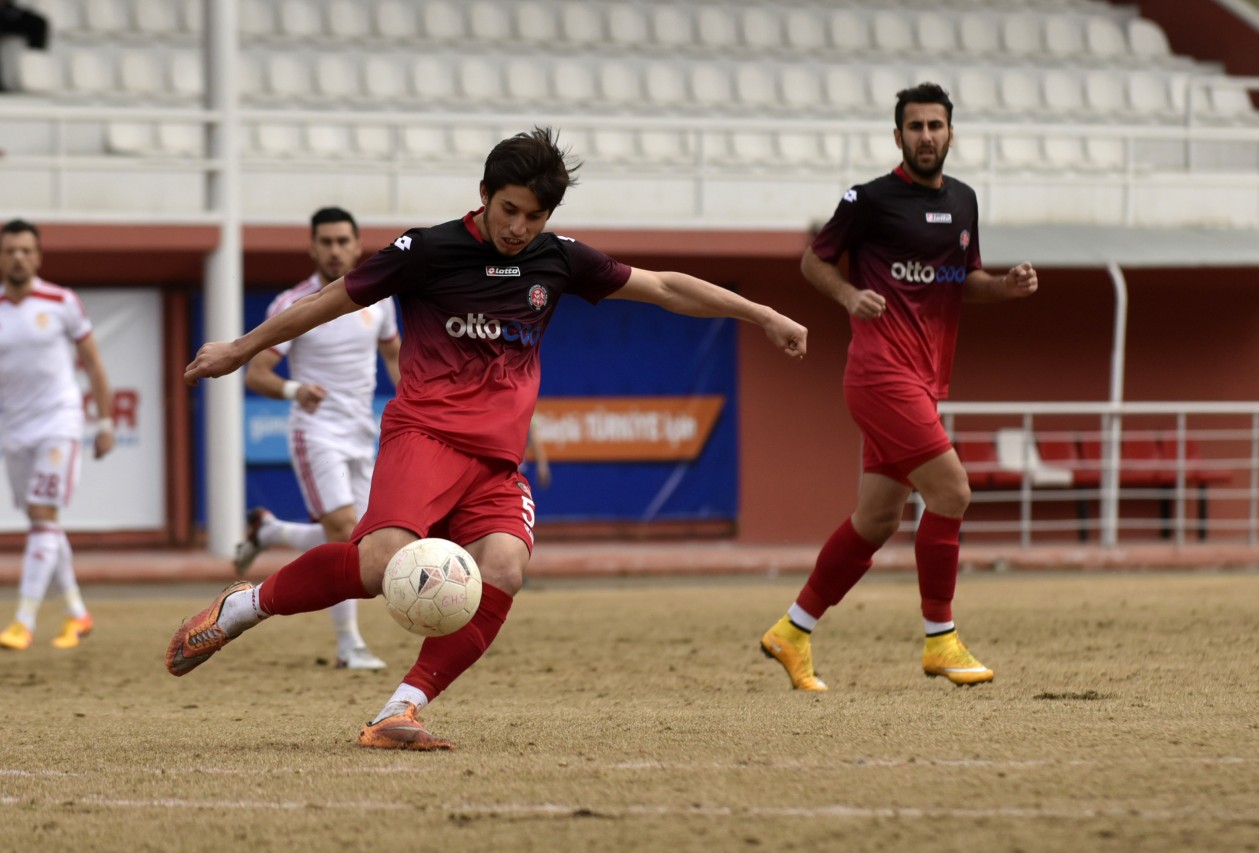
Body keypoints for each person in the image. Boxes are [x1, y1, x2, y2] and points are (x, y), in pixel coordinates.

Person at [168, 127, 807, 750]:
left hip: (496, 462)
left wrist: (763, 314)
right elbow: (332, 299)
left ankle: (400, 710)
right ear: (483, 194)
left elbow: (664, 287)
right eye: (509, 210)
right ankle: (244, 608)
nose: (518, 227)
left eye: (534, 216)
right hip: (424, 435)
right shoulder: (427, 250)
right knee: (379, 565)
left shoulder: (559, 259)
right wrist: (242, 348)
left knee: (503, 568)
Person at [760, 83, 1038, 692]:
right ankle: (941, 639)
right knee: (953, 491)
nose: (926, 136)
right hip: (880, 373)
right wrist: (848, 295)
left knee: (877, 518)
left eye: (936, 126)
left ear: (951, 134)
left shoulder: (963, 201)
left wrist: (1006, 287)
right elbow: (813, 260)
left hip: (923, 378)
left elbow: (966, 279)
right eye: (915, 127)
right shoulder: (869, 200)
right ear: (898, 136)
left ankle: (792, 630)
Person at [232, 207, 401, 671]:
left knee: (362, 542)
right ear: (312, 247)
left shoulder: (379, 300)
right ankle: (349, 644)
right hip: (316, 431)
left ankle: (270, 531)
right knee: (344, 532)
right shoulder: (294, 303)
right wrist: (295, 390)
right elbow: (257, 374)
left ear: (358, 245)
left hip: (361, 432)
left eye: (342, 241)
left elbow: (394, 356)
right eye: (325, 241)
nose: (334, 250)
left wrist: (417, 400)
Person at [0, 219, 114, 650]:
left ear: (38, 257)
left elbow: (93, 362)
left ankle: (23, 621)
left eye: (26, 250)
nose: (18, 257)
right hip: (15, 429)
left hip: (59, 422)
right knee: (42, 522)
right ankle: (77, 613)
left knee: (42, 512)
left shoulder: (62, 301)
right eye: (10, 250)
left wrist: (105, 423)